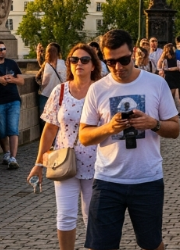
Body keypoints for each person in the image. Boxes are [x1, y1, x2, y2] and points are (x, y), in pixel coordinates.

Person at [79, 29, 180, 250]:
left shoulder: (156, 83)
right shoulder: (97, 89)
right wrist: (109, 128)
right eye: (110, 62)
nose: (118, 67)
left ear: (133, 52)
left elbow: (175, 129)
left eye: (123, 60)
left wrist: (153, 124)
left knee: (152, 244)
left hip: (147, 179)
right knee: (100, 246)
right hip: (107, 180)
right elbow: (84, 136)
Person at [27, 44, 102, 250]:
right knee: (65, 216)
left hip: (97, 163)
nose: (79, 64)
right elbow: (49, 130)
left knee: (92, 216)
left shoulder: (101, 91)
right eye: (74, 60)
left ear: (93, 65)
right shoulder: (60, 91)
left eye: (85, 60)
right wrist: (38, 164)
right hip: (63, 161)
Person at [0, 40, 24, 169]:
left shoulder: (11, 63)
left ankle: (13, 158)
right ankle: (6, 153)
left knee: (13, 129)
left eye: (4, 49)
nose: (2, 51)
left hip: (13, 100)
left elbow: (22, 81)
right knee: (2, 130)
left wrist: (12, 79)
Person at [38, 43, 67, 131]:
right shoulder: (63, 64)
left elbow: (44, 82)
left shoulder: (46, 65)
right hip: (61, 94)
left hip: (46, 94)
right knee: (59, 118)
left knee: (45, 118)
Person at [158, 43, 180, 124]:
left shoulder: (165, 59)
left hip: (172, 78)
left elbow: (160, 67)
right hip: (174, 78)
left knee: (175, 98)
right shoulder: (171, 57)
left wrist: (170, 69)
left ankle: (179, 115)